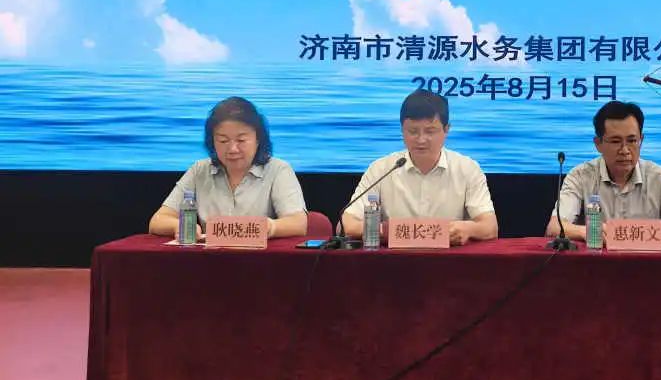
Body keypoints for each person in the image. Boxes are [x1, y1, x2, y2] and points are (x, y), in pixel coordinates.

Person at [342, 90, 497, 245]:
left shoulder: (467, 169)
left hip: (449, 258)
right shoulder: (381, 169)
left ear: (446, 129)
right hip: (394, 258)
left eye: (430, 131)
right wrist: (388, 231)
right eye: (413, 131)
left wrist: (468, 229)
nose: (421, 139)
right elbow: (349, 223)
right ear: (402, 130)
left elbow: (490, 227)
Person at [546, 100, 661, 248]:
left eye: (632, 141)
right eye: (616, 141)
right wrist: (586, 231)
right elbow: (554, 227)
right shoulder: (580, 176)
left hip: (648, 264)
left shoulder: (660, 177)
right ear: (598, 144)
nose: (625, 150)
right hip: (595, 264)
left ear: (641, 140)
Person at [149, 97, 308, 239]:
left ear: (258, 139)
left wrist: (268, 228)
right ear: (212, 141)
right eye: (223, 141)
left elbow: (298, 223)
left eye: (241, 140)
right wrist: (180, 226)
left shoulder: (278, 169)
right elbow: (158, 220)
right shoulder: (200, 170)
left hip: (260, 259)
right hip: (211, 258)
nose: (232, 149)